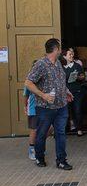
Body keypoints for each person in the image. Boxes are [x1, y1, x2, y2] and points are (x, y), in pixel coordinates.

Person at [25, 38, 73, 170]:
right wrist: (43, 95)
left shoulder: (58, 63)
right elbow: (28, 83)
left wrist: (67, 92)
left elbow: (61, 82)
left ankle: (61, 161)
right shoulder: (40, 64)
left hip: (61, 107)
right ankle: (39, 157)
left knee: (61, 133)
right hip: (45, 108)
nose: (61, 50)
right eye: (60, 48)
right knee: (41, 134)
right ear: (56, 49)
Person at [64, 48, 86, 136]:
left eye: (72, 54)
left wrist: (79, 77)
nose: (72, 56)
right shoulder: (60, 67)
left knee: (77, 110)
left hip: (77, 91)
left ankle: (79, 129)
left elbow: (83, 76)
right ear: (64, 56)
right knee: (65, 112)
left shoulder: (77, 65)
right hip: (65, 93)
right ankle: (65, 129)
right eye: (70, 54)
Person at [23, 60, 38, 161]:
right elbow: (25, 95)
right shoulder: (29, 80)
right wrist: (25, 106)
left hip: (44, 108)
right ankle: (32, 149)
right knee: (34, 129)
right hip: (33, 108)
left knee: (50, 128)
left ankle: (38, 144)